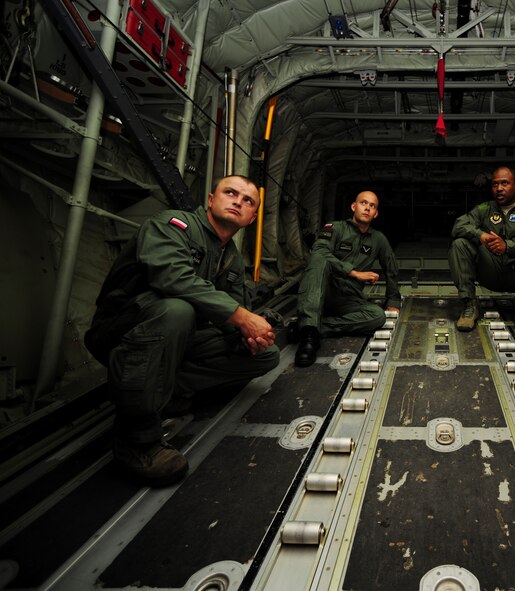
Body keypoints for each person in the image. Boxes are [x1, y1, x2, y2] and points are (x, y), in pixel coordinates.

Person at [85, 175, 280, 487]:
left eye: (247, 201)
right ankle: (135, 440)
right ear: (211, 198)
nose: (237, 202)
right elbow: (171, 278)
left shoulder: (230, 258)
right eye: (230, 193)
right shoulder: (172, 225)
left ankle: (166, 388)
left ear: (252, 218)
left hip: (178, 338)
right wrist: (242, 317)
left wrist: (251, 333)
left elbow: (232, 310)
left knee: (265, 356)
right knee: (177, 309)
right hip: (123, 331)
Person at [292, 191, 401, 367]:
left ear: (376, 213)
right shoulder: (335, 228)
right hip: (323, 289)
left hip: (349, 297)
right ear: (353, 206)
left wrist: (393, 299)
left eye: (372, 206)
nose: (367, 208)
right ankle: (309, 340)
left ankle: (310, 328)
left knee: (377, 316)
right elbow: (319, 252)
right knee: (319, 258)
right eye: (363, 203)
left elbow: (391, 267)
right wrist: (354, 273)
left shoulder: (378, 239)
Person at [449, 166, 515, 330]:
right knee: (459, 244)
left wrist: (508, 246)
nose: (499, 188)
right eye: (495, 184)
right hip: (489, 269)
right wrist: (480, 235)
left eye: (504, 183)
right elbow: (459, 225)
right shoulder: (485, 208)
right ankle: (470, 306)